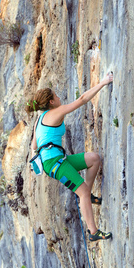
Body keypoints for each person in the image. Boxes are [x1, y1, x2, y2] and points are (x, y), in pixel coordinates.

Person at [25, 72, 113, 242]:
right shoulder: (57, 112)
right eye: (56, 96)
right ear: (51, 101)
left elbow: (34, 146)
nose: (59, 97)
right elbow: (82, 100)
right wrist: (103, 82)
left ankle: (87, 195)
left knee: (94, 159)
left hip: (58, 161)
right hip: (55, 164)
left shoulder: (40, 119)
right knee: (83, 193)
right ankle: (93, 232)